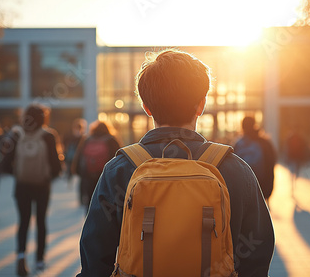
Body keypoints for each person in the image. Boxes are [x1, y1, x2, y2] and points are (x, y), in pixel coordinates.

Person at [77, 49, 274, 277]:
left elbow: (94, 256)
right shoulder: (234, 169)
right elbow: (257, 252)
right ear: (201, 105)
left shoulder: (120, 170)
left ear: (147, 108)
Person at [2, 104, 62, 276]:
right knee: (41, 221)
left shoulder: (16, 135)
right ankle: (40, 260)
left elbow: (6, 165)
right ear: (43, 118)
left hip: (22, 186)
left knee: (23, 221)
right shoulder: (49, 136)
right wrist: (47, 175)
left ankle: (21, 256)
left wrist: (20, 172)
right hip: (42, 186)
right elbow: (56, 166)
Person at [71, 120, 120, 213]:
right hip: (106, 177)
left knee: (90, 202)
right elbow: (119, 159)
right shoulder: (111, 140)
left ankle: (89, 222)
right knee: (106, 203)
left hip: (89, 176)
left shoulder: (88, 139)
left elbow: (79, 156)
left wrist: (78, 172)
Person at [234, 116, 277, 204]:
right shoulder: (265, 143)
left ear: (242, 127)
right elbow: (271, 163)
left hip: (244, 190)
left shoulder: (238, 144)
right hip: (262, 188)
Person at [285, 125, 307, 197]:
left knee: (295, 172)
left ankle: (293, 182)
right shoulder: (292, 138)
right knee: (293, 172)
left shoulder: (296, 138)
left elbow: (303, 148)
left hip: (296, 157)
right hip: (293, 158)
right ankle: (293, 184)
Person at [64, 118, 87, 183]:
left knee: (70, 166)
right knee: (72, 166)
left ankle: (70, 176)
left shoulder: (70, 135)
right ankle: (71, 176)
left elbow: (65, 144)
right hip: (74, 155)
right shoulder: (83, 137)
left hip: (71, 155)